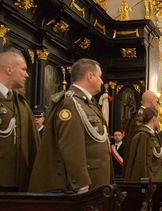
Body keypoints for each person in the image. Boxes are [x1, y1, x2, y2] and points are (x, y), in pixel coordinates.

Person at [29, 58, 110, 193]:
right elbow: (71, 146)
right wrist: (81, 184)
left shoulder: (87, 104)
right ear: (90, 76)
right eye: (100, 76)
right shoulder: (71, 103)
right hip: (86, 184)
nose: (102, 81)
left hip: (97, 179)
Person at [0, 51, 40, 192]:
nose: (27, 75)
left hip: (19, 184)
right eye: (23, 69)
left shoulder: (21, 102)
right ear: (9, 69)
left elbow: (33, 143)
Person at [123, 107, 162, 183]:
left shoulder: (152, 135)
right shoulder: (143, 136)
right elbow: (141, 162)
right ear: (153, 118)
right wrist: (146, 182)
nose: (159, 120)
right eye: (158, 117)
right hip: (150, 181)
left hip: (156, 179)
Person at [123, 90, 159, 167]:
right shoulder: (141, 115)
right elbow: (141, 141)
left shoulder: (140, 114)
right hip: (139, 161)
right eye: (157, 101)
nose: (157, 104)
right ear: (152, 101)